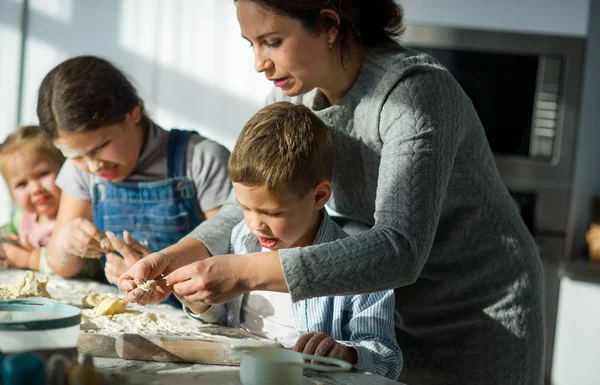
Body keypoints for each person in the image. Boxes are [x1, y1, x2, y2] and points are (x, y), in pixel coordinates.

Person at [119, 1, 545, 384]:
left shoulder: (414, 94)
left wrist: (247, 271)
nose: (259, 64)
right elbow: (241, 206)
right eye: (251, 44)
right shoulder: (294, 96)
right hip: (378, 319)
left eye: (272, 41)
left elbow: (400, 249)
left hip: (477, 317)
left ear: (328, 25)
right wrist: (181, 253)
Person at [174, 101, 401, 378]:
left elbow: (388, 360)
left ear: (319, 196)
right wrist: (202, 306)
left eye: (272, 212)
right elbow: (223, 322)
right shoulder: (241, 239)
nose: (255, 224)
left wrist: (345, 353)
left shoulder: (359, 268)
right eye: (245, 208)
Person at [36, 56, 232, 289]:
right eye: (75, 156)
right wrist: (68, 242)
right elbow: (61, 265)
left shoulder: (201, 159)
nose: (93, 167)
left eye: (100, 147)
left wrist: (162, 273)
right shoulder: (79, 171)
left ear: (133, 114)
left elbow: (230, 263)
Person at [0, 125, 64, 273]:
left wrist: (30, 259)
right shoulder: (22, 217)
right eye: (22, 184)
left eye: (43, 174)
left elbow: (85, 266)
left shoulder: (73, 215)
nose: (36, 189)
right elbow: (7, 231)